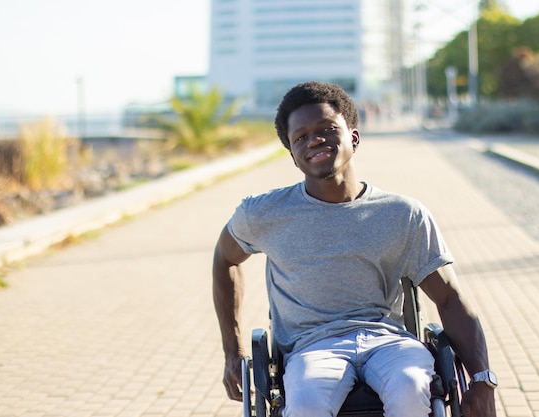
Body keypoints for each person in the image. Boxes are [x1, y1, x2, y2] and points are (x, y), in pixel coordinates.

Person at [212, 81, 497, 417]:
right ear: (293, 155)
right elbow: (225, 259)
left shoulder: (403, 214)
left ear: (354, 137)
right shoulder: (264, 214)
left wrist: (481, 380)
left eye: (326, 129)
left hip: (390, 343)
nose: (314, 140)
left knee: (412, 388)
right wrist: (234, 351)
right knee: (305, 403)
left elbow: (449, 298)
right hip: (311, 348)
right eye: (300, 137)